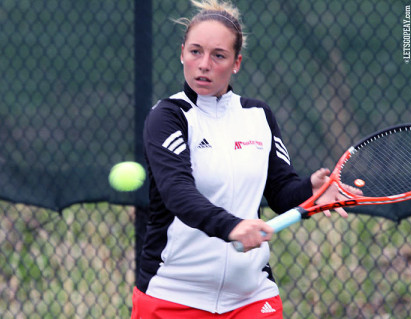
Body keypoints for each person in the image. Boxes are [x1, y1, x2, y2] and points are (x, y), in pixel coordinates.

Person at [132, 0, 351, 318]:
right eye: (195, 52)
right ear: (182, 53)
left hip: (252, 297)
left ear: (236, 63)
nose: (204, 64)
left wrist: (311, 189)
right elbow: (177, 192)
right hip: (173, 296)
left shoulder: (258, 115)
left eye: (218, 55)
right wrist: (231, 227)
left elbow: (280, 191)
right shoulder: (168, 116)